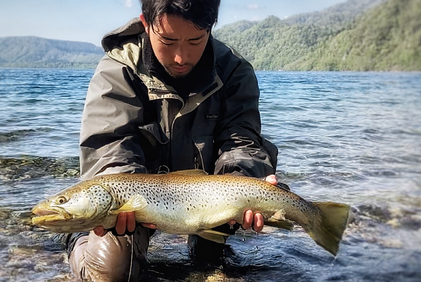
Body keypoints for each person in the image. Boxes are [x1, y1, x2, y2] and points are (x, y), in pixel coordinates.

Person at [65, 0, 279, 280]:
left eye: (195, 41)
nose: (181, 57)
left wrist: (246, 183)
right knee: (112, 272)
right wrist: (123, 199)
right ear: (145, 23)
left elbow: (241, 143)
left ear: (211, 27)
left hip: (206, 200)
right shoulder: (118, 70)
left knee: (209, 261)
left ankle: (206, 244)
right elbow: (109, 149)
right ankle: (77, 239)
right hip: (137, 203)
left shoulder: (234, 72)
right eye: (167, 40)